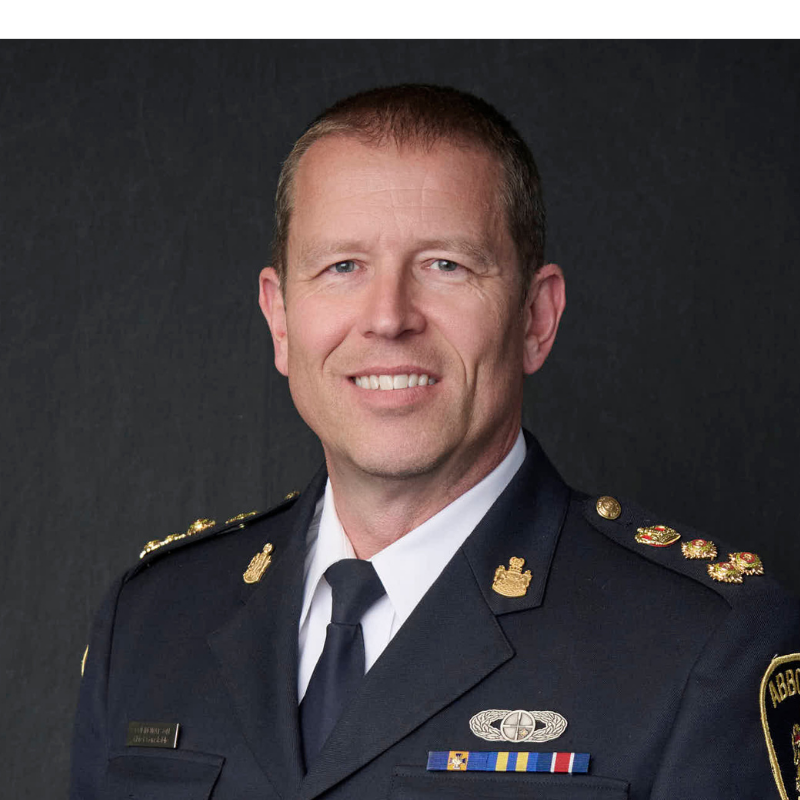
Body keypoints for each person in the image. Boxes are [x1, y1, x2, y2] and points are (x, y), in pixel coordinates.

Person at [70, 84, 800, 800]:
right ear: (281, 319)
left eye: (445, 265)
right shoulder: (149, 622)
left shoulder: (704, 648)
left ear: (536, 318)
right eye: (342, 267)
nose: (389, 318)